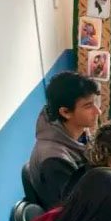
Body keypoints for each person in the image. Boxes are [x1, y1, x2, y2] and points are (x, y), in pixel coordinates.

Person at [28, 71, 101, 209]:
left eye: (95, 103)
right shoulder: (53, 160)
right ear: (65, 112)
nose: (98, 111)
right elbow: (78, 209)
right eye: (88, 106)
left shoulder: (80, 133)